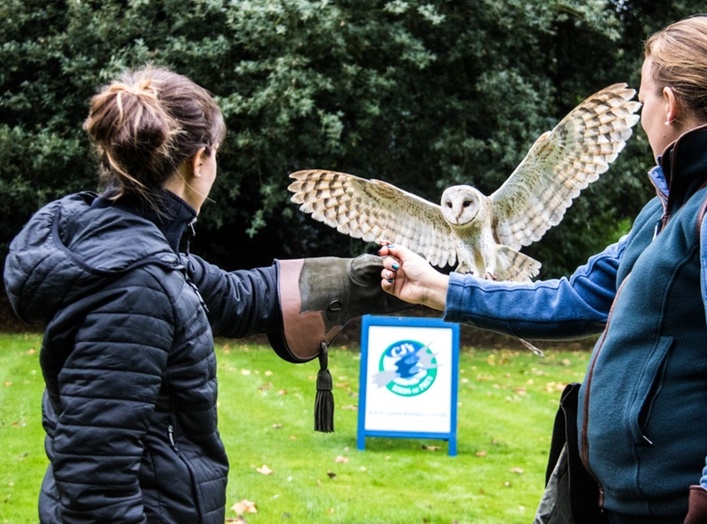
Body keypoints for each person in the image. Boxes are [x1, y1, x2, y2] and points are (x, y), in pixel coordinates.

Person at [378, 15, 707, 524]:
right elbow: (577, 297)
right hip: (640, 508)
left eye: (644, 97)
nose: (641, 119)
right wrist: (440, 288)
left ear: (671, 104)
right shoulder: (680, 202)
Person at [3, 66, 408, 523]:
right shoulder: (134, 281)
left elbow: (234, 296)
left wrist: (361, 280)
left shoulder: (135, 247)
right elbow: (95, 480)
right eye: (215, 154)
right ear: (199, 160)